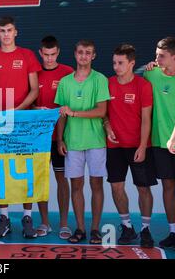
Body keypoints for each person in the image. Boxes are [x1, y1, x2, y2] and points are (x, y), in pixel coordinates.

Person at [0, 16, 41, 238]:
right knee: (2, 170)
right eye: (2, 30)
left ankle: (27, 217)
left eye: (9, 30)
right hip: (1, 121)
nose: (6, 34)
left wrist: (19, 109)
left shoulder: (27, 55)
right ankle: (4, 217)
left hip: (24, 120)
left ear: (15, 32)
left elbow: (35, 89)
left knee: (26, 170)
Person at [54, 40, 110, 244]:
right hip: (72, 142)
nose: (84, 56)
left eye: (88, 53)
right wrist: (60, 139)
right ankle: (80, 228)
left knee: (96, 184)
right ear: (75, 55)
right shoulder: (65, 82)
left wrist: (74, 113)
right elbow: (62, 115)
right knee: (76, 185)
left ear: (94, 56)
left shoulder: (100, 79)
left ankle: (95, 229)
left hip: (95, 140)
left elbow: (102, 111)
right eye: (80, 53)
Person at [105, 44, 157, 248]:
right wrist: (107, 126)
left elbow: (146, 119)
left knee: (143, 188)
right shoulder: (107, 84)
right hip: (114, 147)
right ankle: (127, 226)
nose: (116, 67)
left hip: (138, 145)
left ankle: (145, 229)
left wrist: (143, 146)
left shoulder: (143, 85)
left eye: (121, 63)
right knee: (116, 187)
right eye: (114, 63)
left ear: (132, 64)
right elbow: (104, 114)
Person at [144, 37, 175, 251]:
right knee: (168, 187)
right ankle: (173, 231)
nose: (156, 58)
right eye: (156, 54)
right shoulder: (150, 74)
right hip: (160, 142)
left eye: (162, 55)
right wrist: (151, 67)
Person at [34, 36, 74, 239]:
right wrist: (36, 108)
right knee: (41, 180)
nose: (49, 59)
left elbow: (72, 105)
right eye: (46, 55)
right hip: (38, 139)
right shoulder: (34, 73)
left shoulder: (68, 72)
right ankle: (44, 222)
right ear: (40, 53)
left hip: (60, 138)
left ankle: (64, 224)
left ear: (58, 52)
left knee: (61, 179)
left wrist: (61, 138)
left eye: (53, 55)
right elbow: (27, 103)